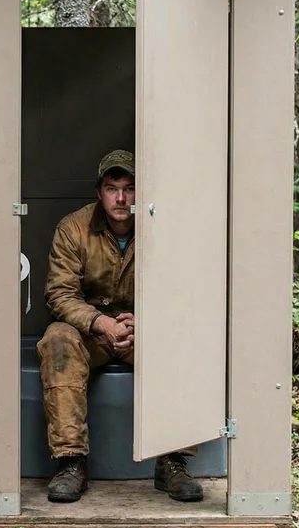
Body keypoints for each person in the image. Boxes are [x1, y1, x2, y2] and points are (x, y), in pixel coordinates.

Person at [37, 149, 204, 504]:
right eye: (113, 188)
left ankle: (172, 460)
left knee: (180, 341)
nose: (121, 198)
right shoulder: (73, 227)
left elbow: (185, 291)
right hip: (92, 332)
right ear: (100, 191)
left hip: (145, 330)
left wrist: (148, 323)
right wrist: (101, 323)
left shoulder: (162, 226)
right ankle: (71, 462)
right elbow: (60, 294)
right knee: (57, 340)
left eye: (129, 188)